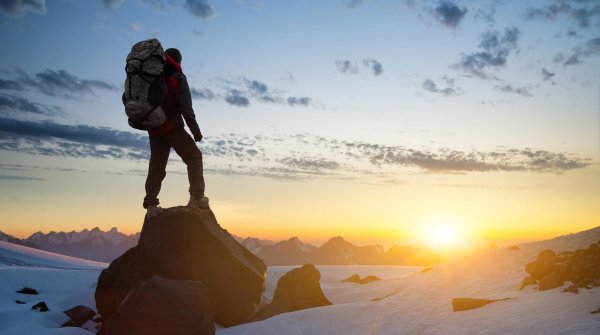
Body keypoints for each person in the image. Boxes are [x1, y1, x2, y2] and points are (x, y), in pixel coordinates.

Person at [143, 48, 208, 216]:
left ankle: (151, 205)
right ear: (178, 61)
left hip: (154, 128)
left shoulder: (149, 76)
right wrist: (196, 132)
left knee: (157, 166)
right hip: (172, 126)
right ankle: (196, 198)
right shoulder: (177, 77)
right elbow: (186, 108)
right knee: (194, 157)